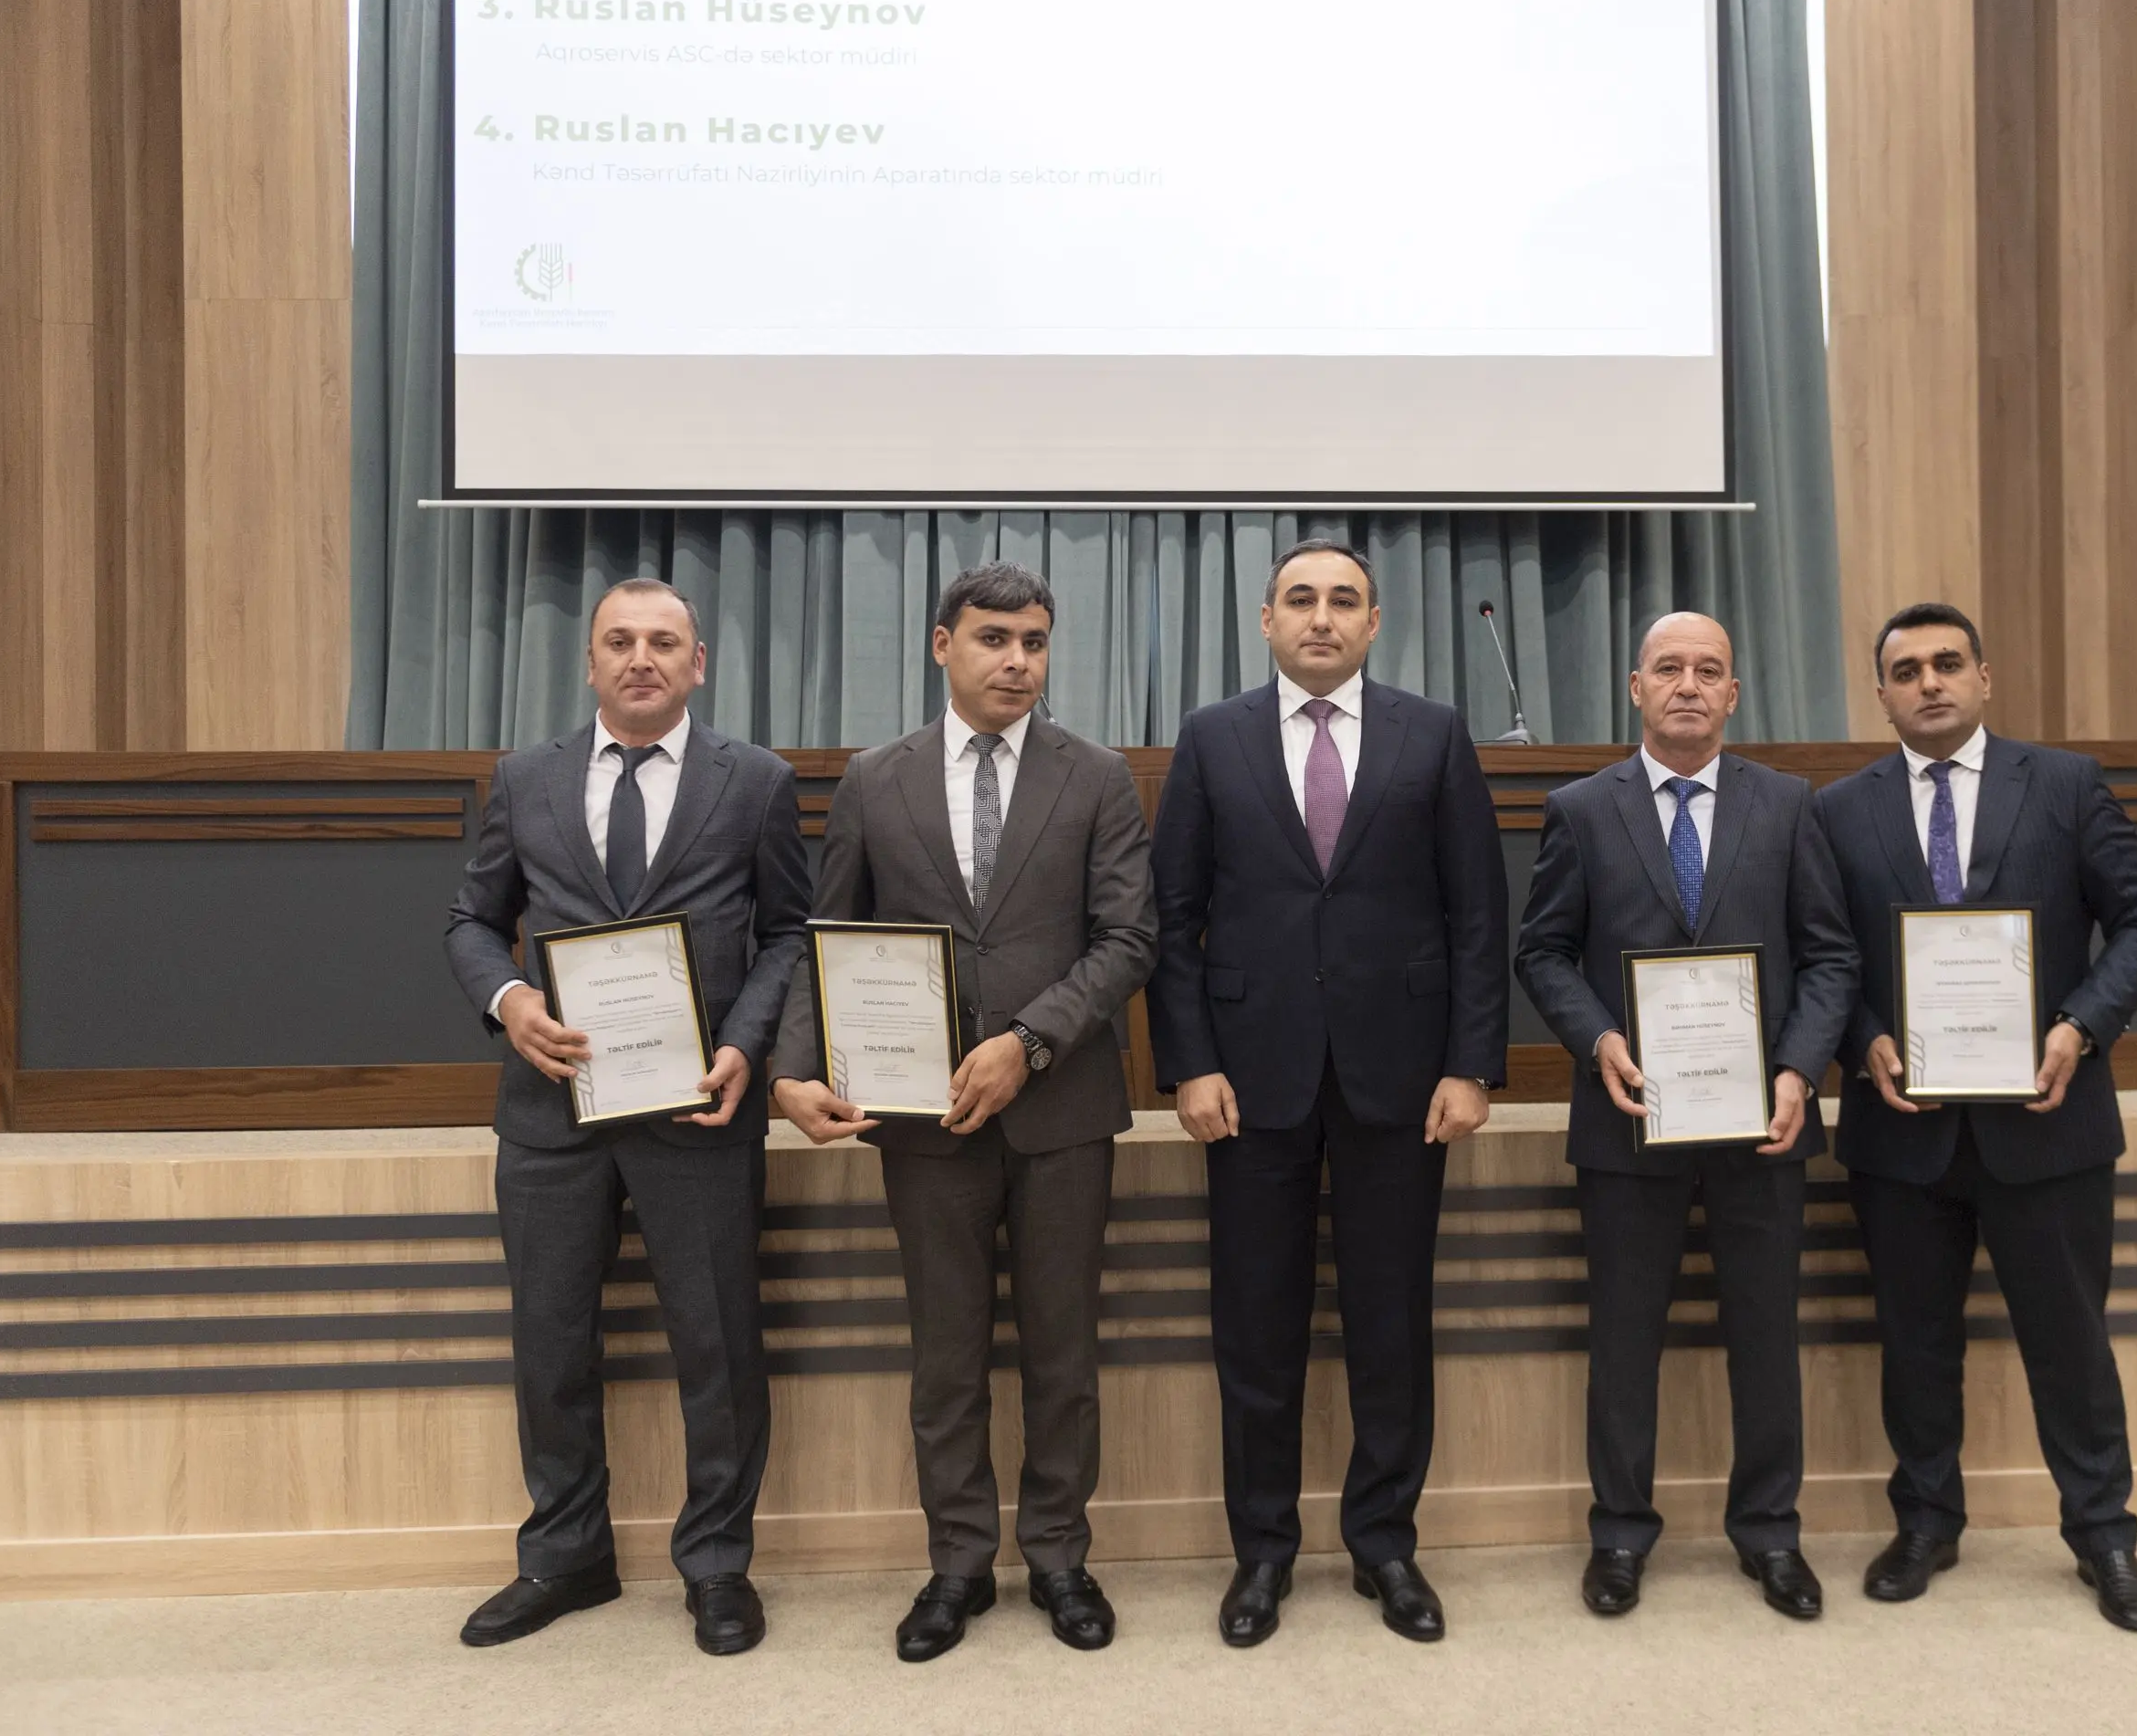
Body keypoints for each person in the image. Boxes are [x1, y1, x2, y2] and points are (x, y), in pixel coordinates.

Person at [772, 561, 1157, 1663]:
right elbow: (827, 934)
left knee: (1062, 1351)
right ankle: (957, 1561)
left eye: (1034, 640)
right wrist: (795, 1067)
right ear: (943, 645)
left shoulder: (1098, 776)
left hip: (1062, 1108)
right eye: (994, 638)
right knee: (946, 1353)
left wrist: (1027, 1041)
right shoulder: (873, 778)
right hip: (920, 1116)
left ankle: (1059, 1554)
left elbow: (1129, 937)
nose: (1017, 660)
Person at [1146, 539, 1508, 1647]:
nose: (1321, 617)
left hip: (1403, 1078)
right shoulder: (1211, 737)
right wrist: (1189, 1061)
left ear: (1374, 621)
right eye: (1300, 599)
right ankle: (1262, 1549)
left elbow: (1478, 911)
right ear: (1266, 619)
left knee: (1392, 1322)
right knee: (1255, 1328)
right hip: (1248, 1081)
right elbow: (1173, 918)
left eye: (1343, 600)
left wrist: (1471, 1063)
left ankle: (1384, 1541)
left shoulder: (1432, 733)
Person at [445, 578, 810, 1658]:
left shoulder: (757, 781)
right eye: (619, 640)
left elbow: (789, 931)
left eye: (662, 640)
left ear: (699, 663)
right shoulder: (527, 777)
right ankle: (565, 1555)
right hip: (551, 1108)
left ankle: (718, 1563)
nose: (640, 656)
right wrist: (508, 999)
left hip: (699, 1105)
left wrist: (746, 1043)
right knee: (550, 1340)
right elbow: (473, 919)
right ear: (591, 662)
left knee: (717, 1343)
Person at [1817, 601, 2137, 1634]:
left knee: (2071, 1344)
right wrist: (1862, 1038)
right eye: (1906, 670)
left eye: (1947, 663)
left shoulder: (2065, 784)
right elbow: (1824, 955)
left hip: (2049, 1119)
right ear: (1880, 694)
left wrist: (2081, 1026)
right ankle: (1926, 1521)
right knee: (1915, 1344)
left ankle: (2104, 1535)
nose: (1928, 682)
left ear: (1985, 678)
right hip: (1903, 1127)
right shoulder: (1836, 810)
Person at [1513, 612, 1858, 1623]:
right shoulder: (1581, 809)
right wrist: (1597, 1039)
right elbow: (1542, 951)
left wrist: (1799, 1068)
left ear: (1734, 694)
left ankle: (1771, 1531)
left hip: (1765, 1120)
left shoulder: (1789, 803)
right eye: (1669, 668)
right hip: (1629, 1116)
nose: (1689, 685)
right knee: (1624, 1339)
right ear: (1636, 688)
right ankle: (1620, 1533)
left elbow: (1830, 954)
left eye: (1710, 670)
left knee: (1766, 1333)